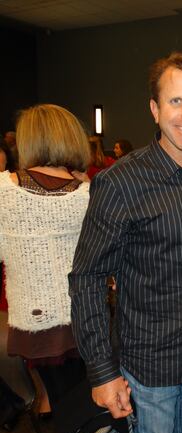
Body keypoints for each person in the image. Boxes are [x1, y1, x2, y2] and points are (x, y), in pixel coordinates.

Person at [69, 52, 182, 433]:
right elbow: (86, 278)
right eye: (177, 101)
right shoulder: (119, 183)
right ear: (155, 109)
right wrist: (102, 373)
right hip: (151, 368)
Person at [0, 104, 90, 411]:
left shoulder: (3, 191)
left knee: (66, 404)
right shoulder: (89, 194)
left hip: (35, 323)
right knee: (82, 407)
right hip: (87, 319)